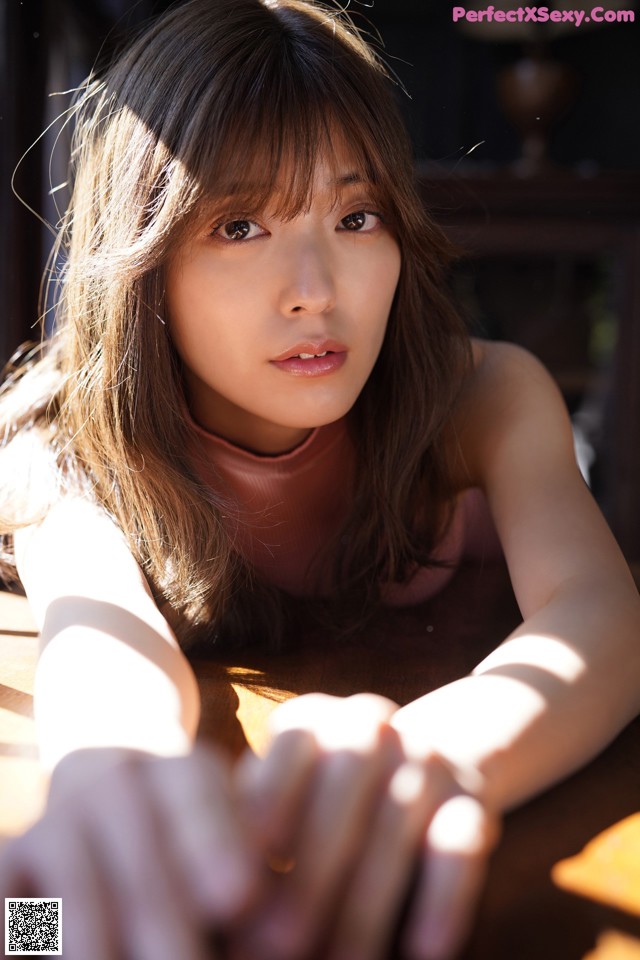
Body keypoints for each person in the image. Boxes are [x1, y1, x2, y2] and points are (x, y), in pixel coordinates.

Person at [0, 0, 639, 958]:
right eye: (242, 223)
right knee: (32, 935)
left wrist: (442, 758)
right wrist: (108, 778)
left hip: (474, 806)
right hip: (218, 813)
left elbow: (599, 614)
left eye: (354, 215)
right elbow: (100, 641)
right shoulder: (63, 436)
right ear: (141, 255)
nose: (316, 287)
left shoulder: (486, 394)